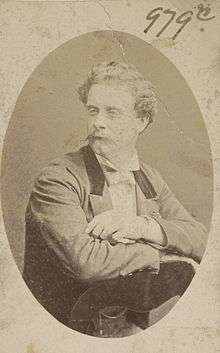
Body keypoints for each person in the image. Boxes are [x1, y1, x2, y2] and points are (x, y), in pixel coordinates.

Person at [23, 61, 207, 337]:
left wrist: (141, 227)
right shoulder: (58, 179)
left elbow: (200, 238)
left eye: (113, 113)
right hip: (61, 331)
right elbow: (86, 262)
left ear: (141, 121)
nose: (98, 123)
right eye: (93, 110)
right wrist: (161, 254)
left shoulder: (149, 178)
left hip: (130, 329)